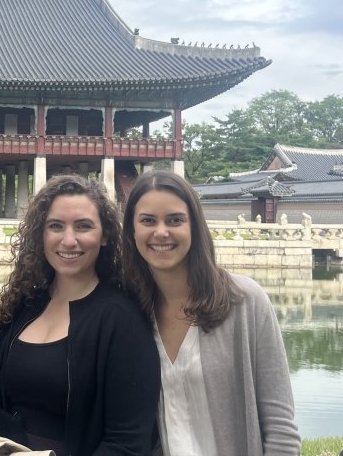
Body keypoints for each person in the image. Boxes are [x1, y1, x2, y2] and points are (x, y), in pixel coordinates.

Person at [0, 175, 160, 456]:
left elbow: (128, 442)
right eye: (56, 226)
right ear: (41, 234)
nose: (68, 240)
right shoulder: (24, 305)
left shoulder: (121, 321)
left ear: (105, 235)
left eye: (83, 226)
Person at [121, 170, 301, 455]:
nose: (161, 232)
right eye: (147, 221)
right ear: (132, 230)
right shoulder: (132, 313)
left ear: (195, 226)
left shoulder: (246, 303)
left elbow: (281, 429)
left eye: (175, 220)